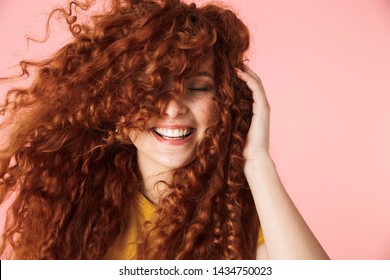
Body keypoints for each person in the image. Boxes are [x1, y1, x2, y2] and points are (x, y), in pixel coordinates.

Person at [0, 0, 329, 259]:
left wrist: (257, 160)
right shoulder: (70, 204)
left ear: (226, 103)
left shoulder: (246, 215)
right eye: (152, 89)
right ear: (115, 104)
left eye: (197, 88)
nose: (172, 107)